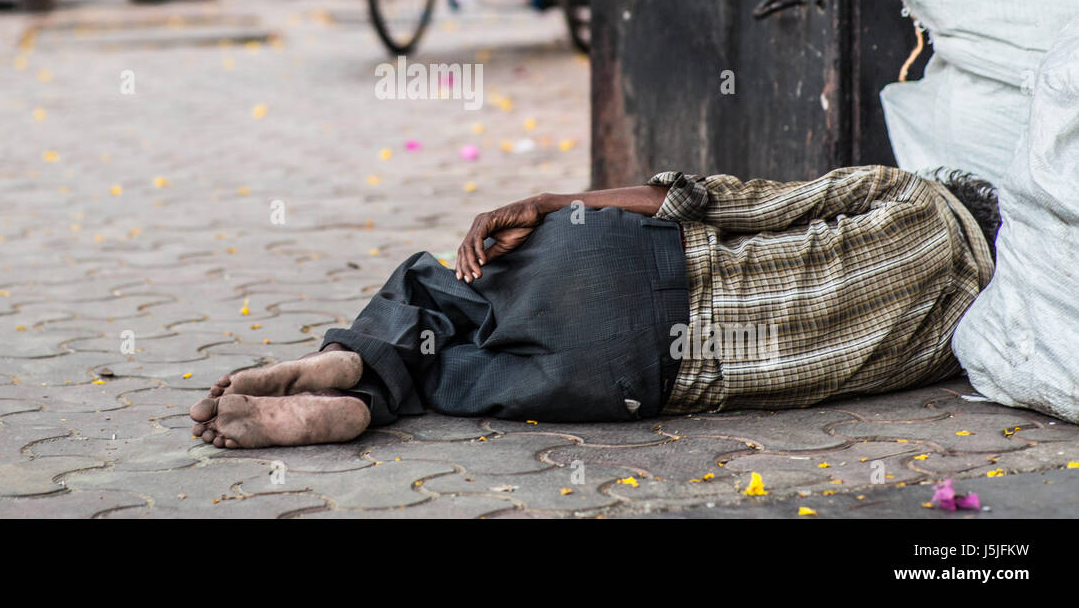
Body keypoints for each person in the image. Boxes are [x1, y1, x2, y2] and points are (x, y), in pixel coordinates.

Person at [190, 165, 999, 448]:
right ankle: (366, 403)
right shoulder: (972, 336)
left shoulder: (911, 197)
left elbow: (720, 199)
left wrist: (552, 200)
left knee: (434, 291)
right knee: (459, 375)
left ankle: (356, 364)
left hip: (631, 264)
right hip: (643, 376)